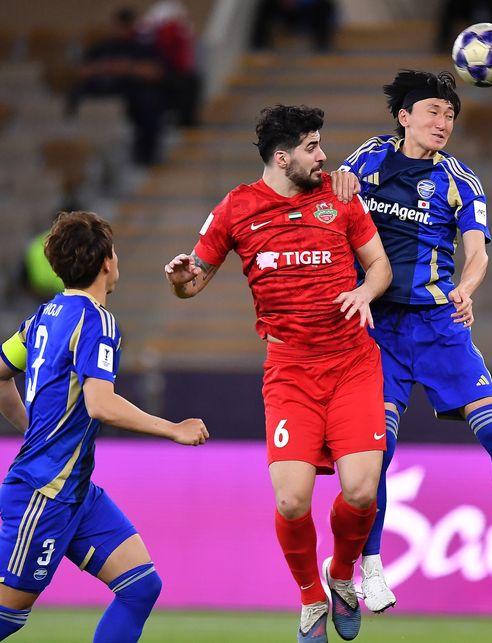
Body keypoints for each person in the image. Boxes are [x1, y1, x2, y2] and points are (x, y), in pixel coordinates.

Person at [330, 70, 492, 611]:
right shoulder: (370, 157)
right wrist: (340, 184)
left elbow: (478, 251)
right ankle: (372, 568)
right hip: (380, 330)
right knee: (379, 454)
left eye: (450, 115)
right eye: (433, 111)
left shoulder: (460, 180)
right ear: (404, 117)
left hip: (440, 327)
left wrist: (466, 288)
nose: (443, 123)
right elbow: (337, 189)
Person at [164, 104, 391, 643]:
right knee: (291, 501)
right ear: (283, 157)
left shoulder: (340, 196)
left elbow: (379, 265)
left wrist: (365, 290)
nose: (323, 155)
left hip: (352, 363)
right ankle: (311, 598)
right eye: (313, 147)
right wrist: (178, 279)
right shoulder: (236, 208)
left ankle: (341, 576)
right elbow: (192, 284)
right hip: (291, 371)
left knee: (362, 491)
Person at [0, 211, 208, 643]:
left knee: (141, 587)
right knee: (2, 617)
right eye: (114, 251)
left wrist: (36, 431)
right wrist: (173, 429)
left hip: (74, 491)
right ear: (106, 262)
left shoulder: (44, 316)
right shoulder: (97, 321)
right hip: (43, 494)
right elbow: (100, 405)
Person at [69, 7, 165, 165]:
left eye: (127, 26)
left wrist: (128, 68)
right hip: (101, 90)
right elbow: (81, 71)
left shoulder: (142, 47)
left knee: (149, 103)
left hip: (131, 91)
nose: (123, 30)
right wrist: (106, 67)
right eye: (120, 26)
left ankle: (145, 156)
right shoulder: (102, 47)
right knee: (76, 95)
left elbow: (155, 72)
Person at [250, 0, 337, 52]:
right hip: (287, 13)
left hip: (306, 11)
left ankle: (323, 45)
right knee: (266, 5)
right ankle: (259, 44)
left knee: (324, 6)